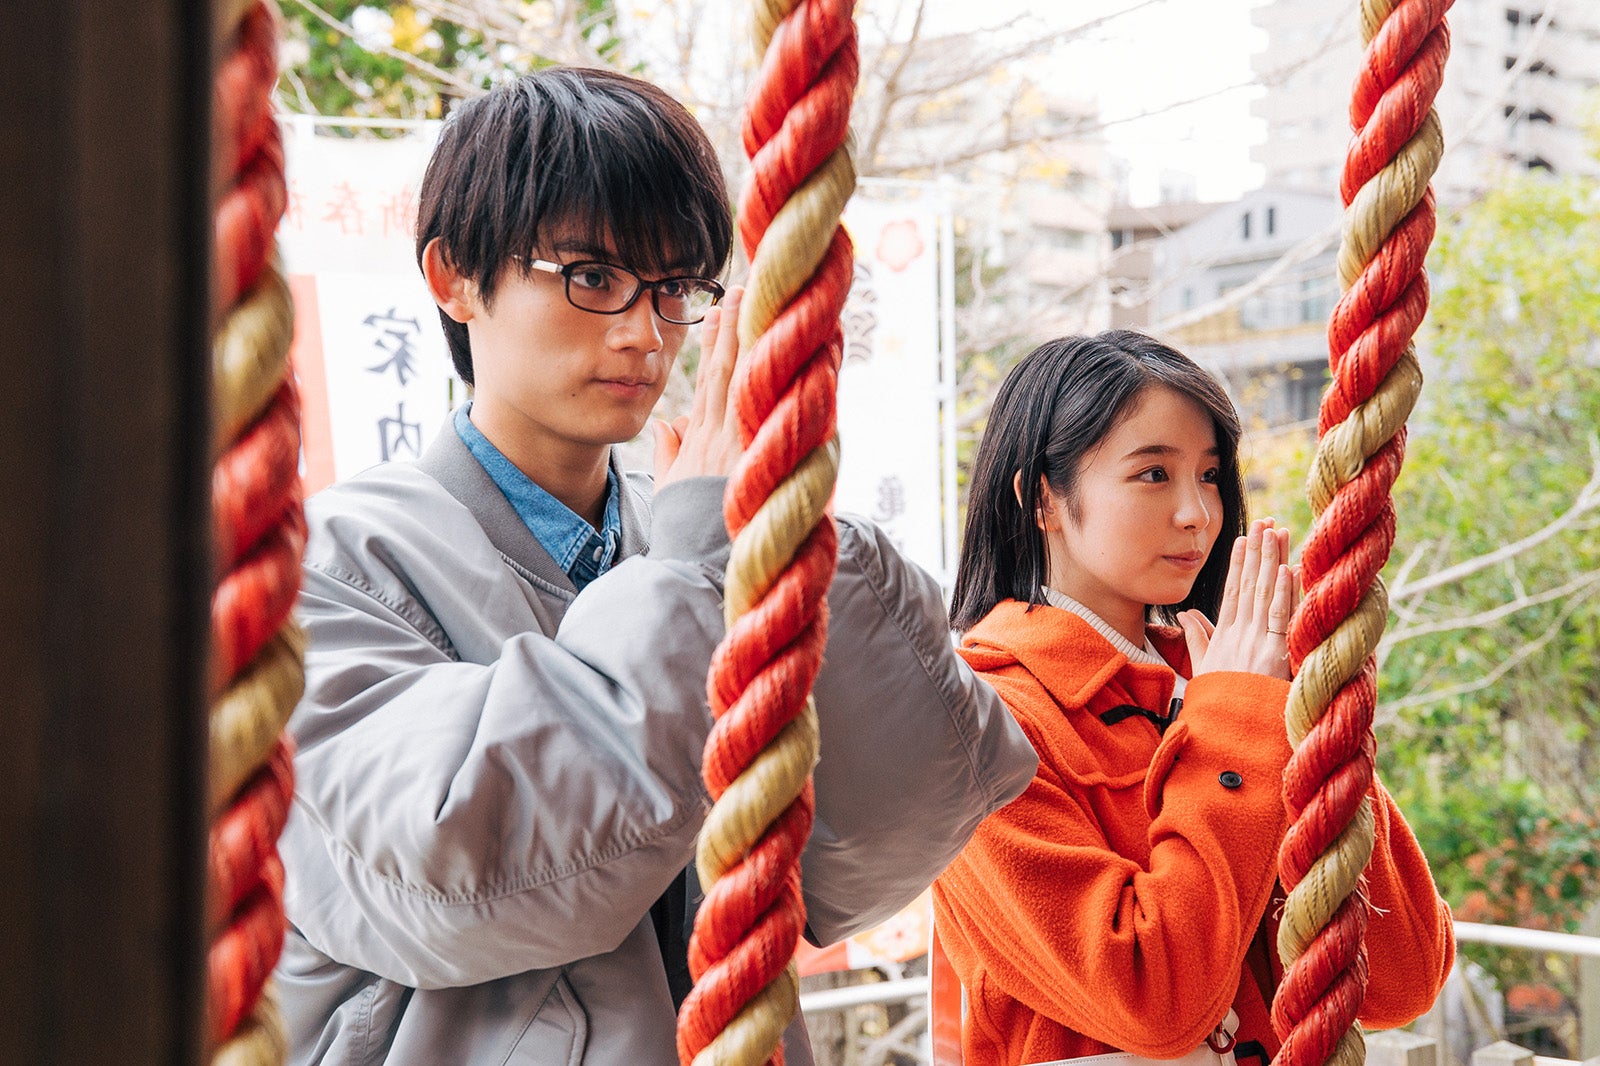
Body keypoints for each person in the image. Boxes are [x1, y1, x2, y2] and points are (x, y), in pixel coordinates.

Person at [274, 67, 1038, 1065]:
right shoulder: (326, 570)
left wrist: (776, 537)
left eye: (675, 288)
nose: (644, 334)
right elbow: (461, 873)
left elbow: (886, 848)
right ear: (453, 275)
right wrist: (696, 569)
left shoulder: (694, 534)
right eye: (591, 277)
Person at [931, 331, 1454, 1066]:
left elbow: (1403, 980)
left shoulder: (1227, 683)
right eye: (1152, 474)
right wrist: (1238, 727)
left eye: (1209, 476)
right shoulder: (975, 721)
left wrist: (1304, 714)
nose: (1198, 514)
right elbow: (1155, 1000)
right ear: (1041, 499)